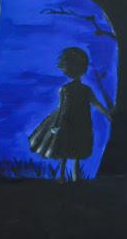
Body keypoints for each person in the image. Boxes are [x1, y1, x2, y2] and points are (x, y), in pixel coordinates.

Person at [29, 47, 111, 182]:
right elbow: (92, 104)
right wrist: (107, 114)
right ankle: (70, 178)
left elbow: (64, 108)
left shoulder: (69, 89)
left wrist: (107, 114)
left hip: (76, 124)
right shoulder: (78, 90)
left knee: (68, 151)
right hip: (74, 124)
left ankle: (66, 178)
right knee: (72, 151)